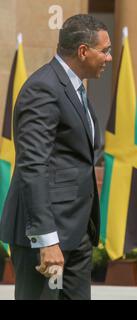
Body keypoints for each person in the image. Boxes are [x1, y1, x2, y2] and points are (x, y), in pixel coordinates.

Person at [0, 14, 112, 300]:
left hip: (76, 234)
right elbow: (33, 165)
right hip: (47, 239)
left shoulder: (75, 89)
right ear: (83, 51)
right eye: (105, 51)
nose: (109, 58)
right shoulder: (44, 88)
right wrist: (47, 240)